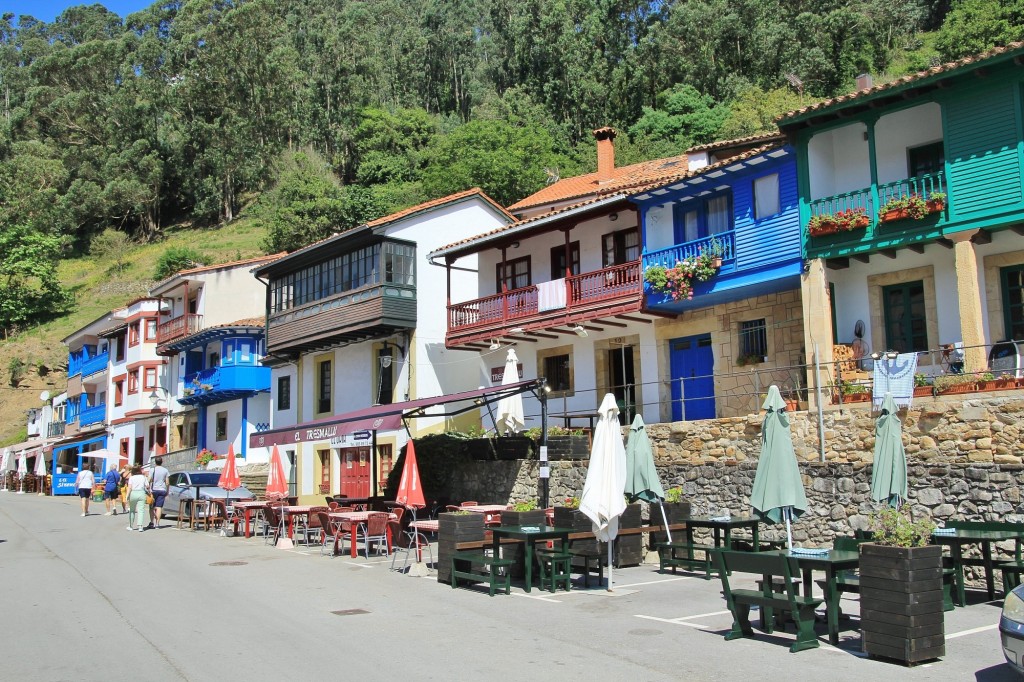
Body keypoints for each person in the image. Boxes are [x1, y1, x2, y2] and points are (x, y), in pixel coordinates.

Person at [148, 456, 170, 529]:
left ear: (155, 462)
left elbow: (149, 480)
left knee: (152, 507)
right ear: (162, 462)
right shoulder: (165, 470)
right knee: (159, 507)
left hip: (153, 490)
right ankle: (157, 524)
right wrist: (167, 491)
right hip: (162, 490)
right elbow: (167, 482)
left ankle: (152, 522)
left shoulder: (152, 470)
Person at [126, 465, 150, 532]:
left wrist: (127, 496)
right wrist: (149, 492)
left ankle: (131, 526)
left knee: (132, 510)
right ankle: (140, 526)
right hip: (141, 493)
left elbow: (129, 487)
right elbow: (147, 486)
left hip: (133, 493)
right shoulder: (143, 477)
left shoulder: (131, 478)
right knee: (141, 510)